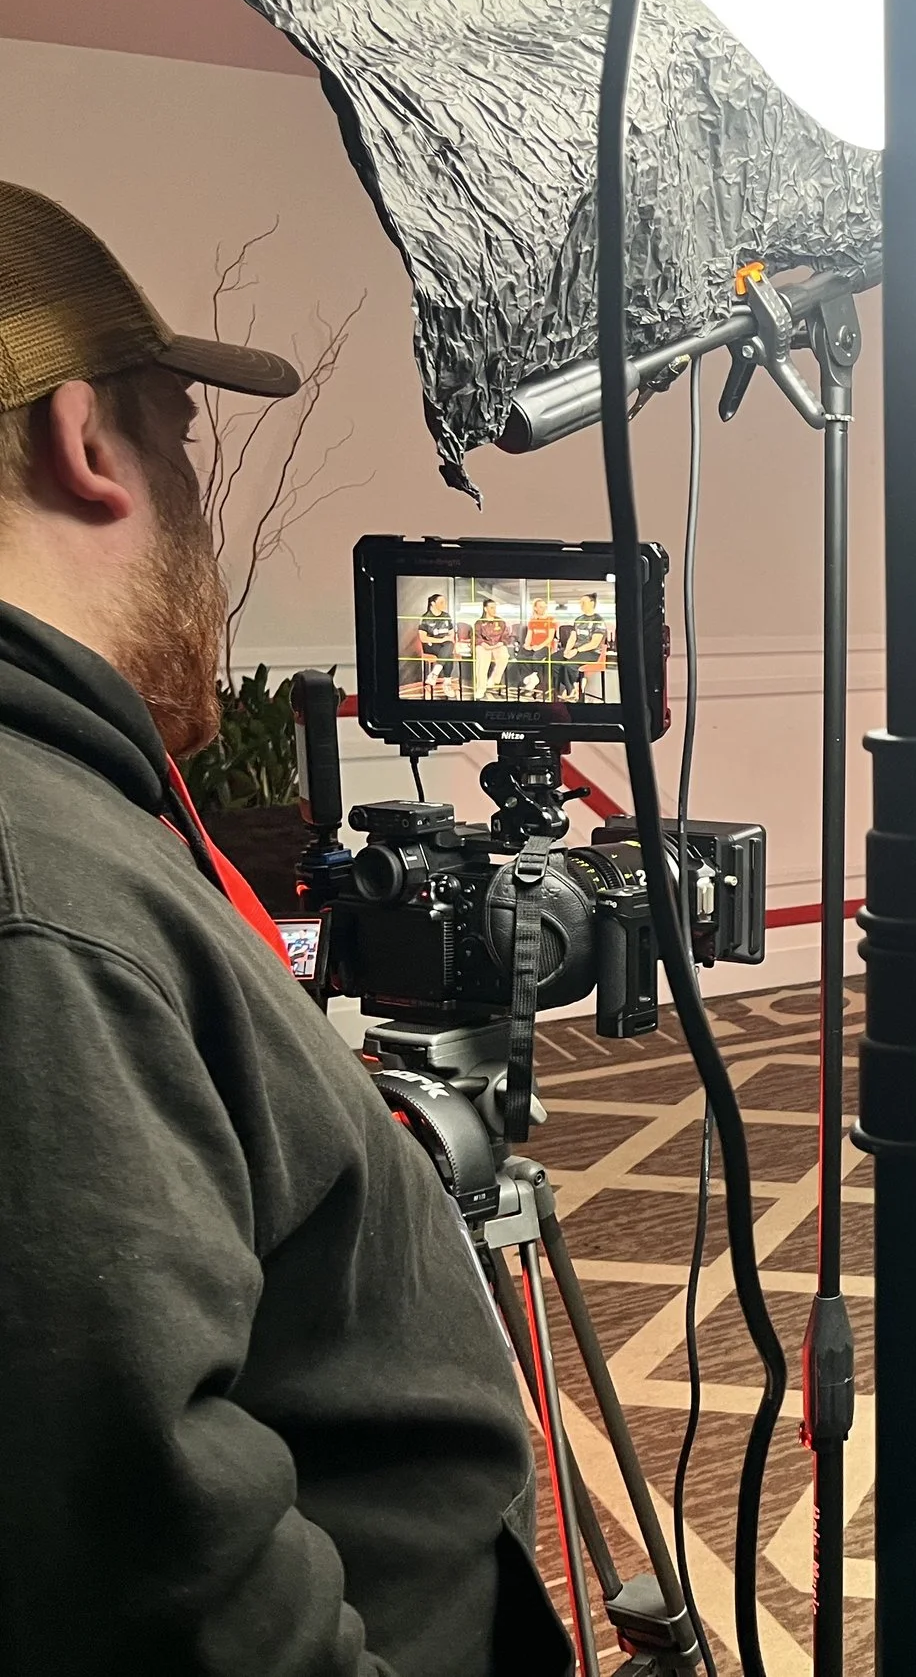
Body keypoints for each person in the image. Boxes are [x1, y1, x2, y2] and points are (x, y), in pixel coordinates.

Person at [0, 182, 564, 1671]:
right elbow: (157, 1589)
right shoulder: (44, 919)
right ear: (88, 441)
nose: (202, 492)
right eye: (184, 432)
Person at [558, 593, 607, 702]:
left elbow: (594, 643)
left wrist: (576, 651)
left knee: (569, 665)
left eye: (583, 602)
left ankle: (573, 690)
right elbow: (572, 637)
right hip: (577, 650)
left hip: (592, 652)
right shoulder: (579, 619)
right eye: (580, 602)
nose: (581, 605)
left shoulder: (598, 620)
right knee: (554, 660)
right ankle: (566, 689)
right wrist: (567, 650)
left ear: (592, 603)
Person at [411, 589, 456, 697]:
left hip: (445, 645)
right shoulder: (425, 618)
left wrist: (447, 639)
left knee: (449, 646)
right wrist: (441, 640)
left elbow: (451, 634)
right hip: (431, 646)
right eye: (441, 602)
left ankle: (434, 674)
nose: (444, 604)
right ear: (433, 603)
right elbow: (423, 638)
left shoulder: (446, 616)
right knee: (449, 654)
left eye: (445, 602)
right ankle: (447, 683)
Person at [514, 595, 558, 699]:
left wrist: (539, 646)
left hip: (545, 647)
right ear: (535, 608)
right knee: (520, 656)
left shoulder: (550, 620)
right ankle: (532, 677)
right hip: (533, 647)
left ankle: (533, 677)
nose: (543, 609)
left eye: (544, 607)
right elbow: (529, 636)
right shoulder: (532, 621)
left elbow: (550, 638)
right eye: (541, 607)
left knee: (535, 658)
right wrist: (527, 645)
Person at [472, 593, 512, 697]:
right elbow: (476, 637)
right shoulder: (479, 623)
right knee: (482, 662)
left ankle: (494, 679)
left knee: (504, 655)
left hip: (498, 645)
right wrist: (483, 644)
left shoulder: (501, 621)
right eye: (492, 608)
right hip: (484, 646)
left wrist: (501, 643)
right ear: (485, 609)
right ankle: (481, 688)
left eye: (495, 608)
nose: (494, 610)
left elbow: (506, 636)